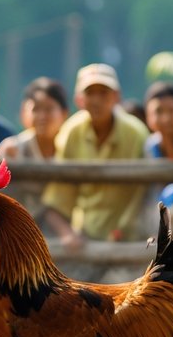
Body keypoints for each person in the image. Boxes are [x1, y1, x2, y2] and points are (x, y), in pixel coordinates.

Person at [41, 63, 149, 254]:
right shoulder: (71, 133)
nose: (97, 100)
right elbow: (59, 194)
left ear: (116, 97)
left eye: (104, 92)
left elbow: (143, 194)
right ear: (79, 99)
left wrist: (124, 228)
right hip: (83, 237)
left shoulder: (136, 134)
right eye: (90, 93)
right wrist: (67, 234)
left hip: (130, 237)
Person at [0, 77, 68, 227]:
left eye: (49, 109)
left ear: (64, 113)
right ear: (24, 113)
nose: (42, 116)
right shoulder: (12, 149)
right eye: (36, 109)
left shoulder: (69, 147)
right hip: (18, 226)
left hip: (64, 225)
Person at [142, 81, 173, 215]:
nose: (165, 118)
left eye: (172, 110)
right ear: (148, 117)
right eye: (159, 111)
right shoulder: (151, 147)